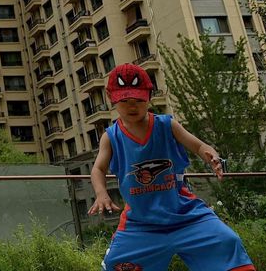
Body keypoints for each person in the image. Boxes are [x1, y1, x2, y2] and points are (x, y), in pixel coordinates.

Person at [89, 63, 256, 271]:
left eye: (139, 100)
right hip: (141, 224)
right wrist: (101, 193)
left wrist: (211, 156)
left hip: (185, 215)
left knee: (228, 241)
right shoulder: (111, 137)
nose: (132, 107)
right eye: (125, 101)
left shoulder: (167, 125)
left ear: (149, 96)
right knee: (116, 264)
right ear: (110, 97)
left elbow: (199, 146)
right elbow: (98, 169)